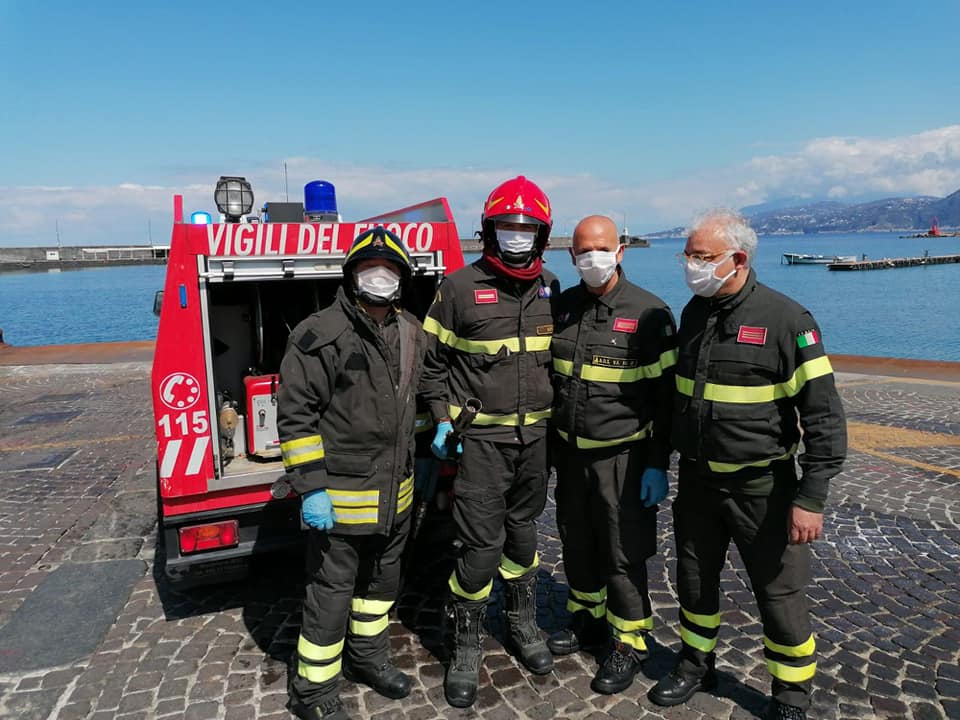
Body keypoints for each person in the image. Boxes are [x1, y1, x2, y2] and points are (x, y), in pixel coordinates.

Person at [648, 210, 847, 720]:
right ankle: (696, 665)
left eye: (701, 257)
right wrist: (657, 461)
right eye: (687, 256)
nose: (690, 265)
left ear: (737, 259)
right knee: (693, 580)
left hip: (764, 488)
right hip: (696, 482)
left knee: (780, 596)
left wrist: (811, 497)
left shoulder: (788, 321)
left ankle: (791, 696)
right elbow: (677, 400)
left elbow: (824, 417)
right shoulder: (693, 314)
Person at [420, 176, 560, 708]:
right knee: (479, 550)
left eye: (527, 227)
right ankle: (465, 645)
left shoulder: (551, 287)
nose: (517, 235)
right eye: (508, 226)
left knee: (523, 537)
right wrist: (440, 417)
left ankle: (522, 623)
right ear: (490, 230)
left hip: (536, 444)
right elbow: (431, 367)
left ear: (542, 233)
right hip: (480, 446)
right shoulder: (457, 289)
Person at [277, 227, 426, 720]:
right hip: (338, 500)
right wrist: (312, 489)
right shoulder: (319, 334)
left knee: (380, 588)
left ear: (402, 279)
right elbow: (296, 419)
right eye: (368, 268)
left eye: (389, 270)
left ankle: (367, 659)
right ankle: (313, 694)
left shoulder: (411, 333)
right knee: (331, 595)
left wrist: (437, 430)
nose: (379, 277)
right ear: (351, 275)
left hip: (394, 496)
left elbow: (415, 403)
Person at [547, 215, 677, 694]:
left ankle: (630, 644)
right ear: (572, 256)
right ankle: (588, 619)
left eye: (602, 249)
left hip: (624, 458)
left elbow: (667, 400)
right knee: (577, 542)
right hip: (571, 455)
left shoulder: (651, 313)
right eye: (584, 251)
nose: (593, 258)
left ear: (620, 251)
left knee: (623, 553)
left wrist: (658, 463)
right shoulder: (561, 309)